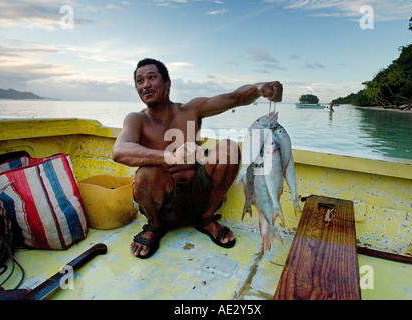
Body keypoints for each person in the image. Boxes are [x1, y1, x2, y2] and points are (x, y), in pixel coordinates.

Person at [112, 58, 283, 259]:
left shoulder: (191, 109)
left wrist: (257, 88)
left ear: (167, 83)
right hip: (164, 201)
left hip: (200, 197)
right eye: (139, 81)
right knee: (146, 173)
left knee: (229, 147)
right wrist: (171, 156)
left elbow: (234, 98)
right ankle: (155, 226)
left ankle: (206, 218)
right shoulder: (137, 119)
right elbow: (120, 150)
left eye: (152, 77)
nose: (145, 85)